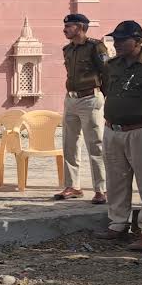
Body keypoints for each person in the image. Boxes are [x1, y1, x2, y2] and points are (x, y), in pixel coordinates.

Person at [93, 21, 142, 252]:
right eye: (115, 39)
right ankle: (117, 224)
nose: (117, 44)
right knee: (116, 181)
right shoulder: (113, 65)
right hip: (113, 130)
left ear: (137, 41)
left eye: (122, 40)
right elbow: (107, 89)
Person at [56, 13, 108, 203]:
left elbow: (107, 72)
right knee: (69, 144)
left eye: (68, 26)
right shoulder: (67, 50)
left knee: (95, 144)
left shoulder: (95, 47)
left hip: (90, 98)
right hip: (71, 99)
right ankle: (73, 186)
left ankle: (101, 189)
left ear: (80, 27)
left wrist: (102, 96)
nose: (65, 29)